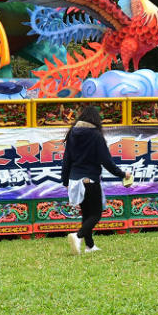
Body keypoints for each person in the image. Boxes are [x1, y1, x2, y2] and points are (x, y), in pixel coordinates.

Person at [61, 106, 133, 255]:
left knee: (86, 214)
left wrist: (65, 181)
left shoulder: (73, 133)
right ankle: (78, 236)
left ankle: (90, 246)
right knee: (96, 214)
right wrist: (122, 174)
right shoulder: (95, 135)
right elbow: (106, 160)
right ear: (95, 119)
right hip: (89, 180)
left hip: (75, 180)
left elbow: (66, 159)